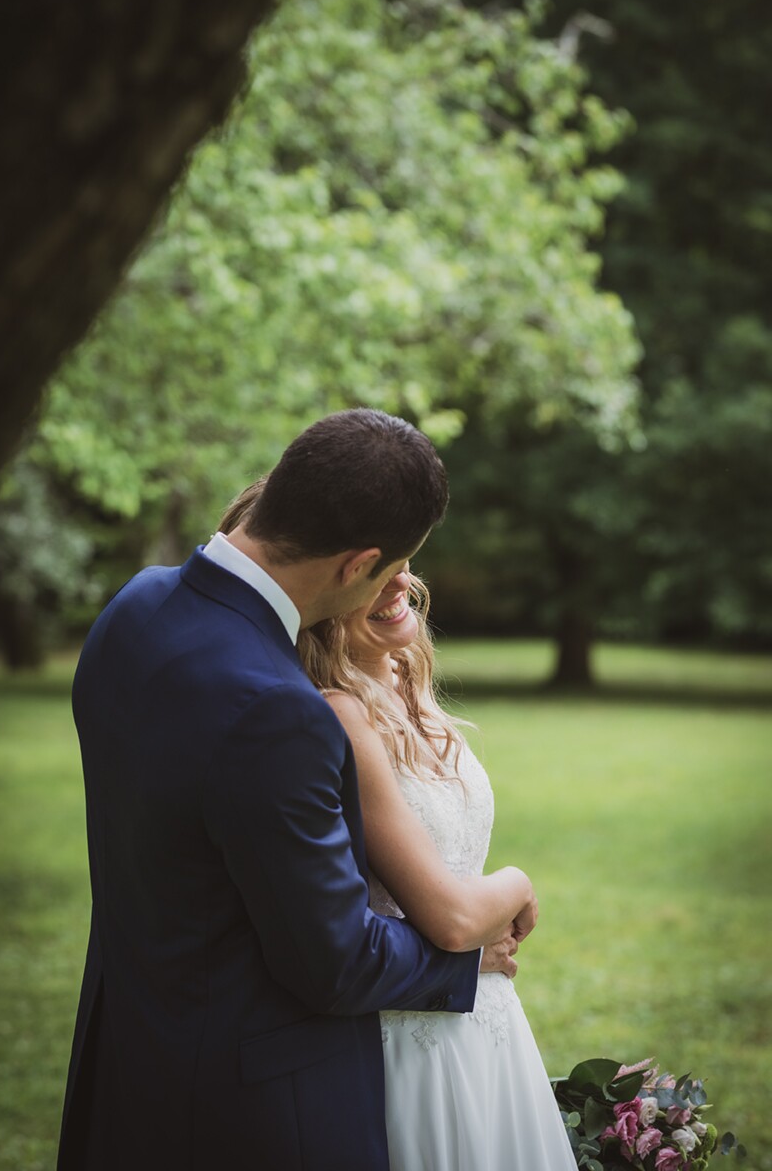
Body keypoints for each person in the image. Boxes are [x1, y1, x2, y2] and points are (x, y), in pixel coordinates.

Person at [57, 409, 530, 1171]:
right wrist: (469, 961)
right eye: (390, 571)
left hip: (132, 1069)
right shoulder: (279, 713)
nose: (398, 589)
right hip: (253, 1114)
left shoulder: (133, 611)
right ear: (356, 565)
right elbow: (335, 962)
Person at [221, 479, 578, 1169]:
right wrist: (517, 883)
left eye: (401, 563)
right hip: (413, 1034)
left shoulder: (404, 682)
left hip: (490, 1020)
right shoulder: (340, 715)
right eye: (376, 572)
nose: (399, 586)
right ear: (326, 590)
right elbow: (446, 919)